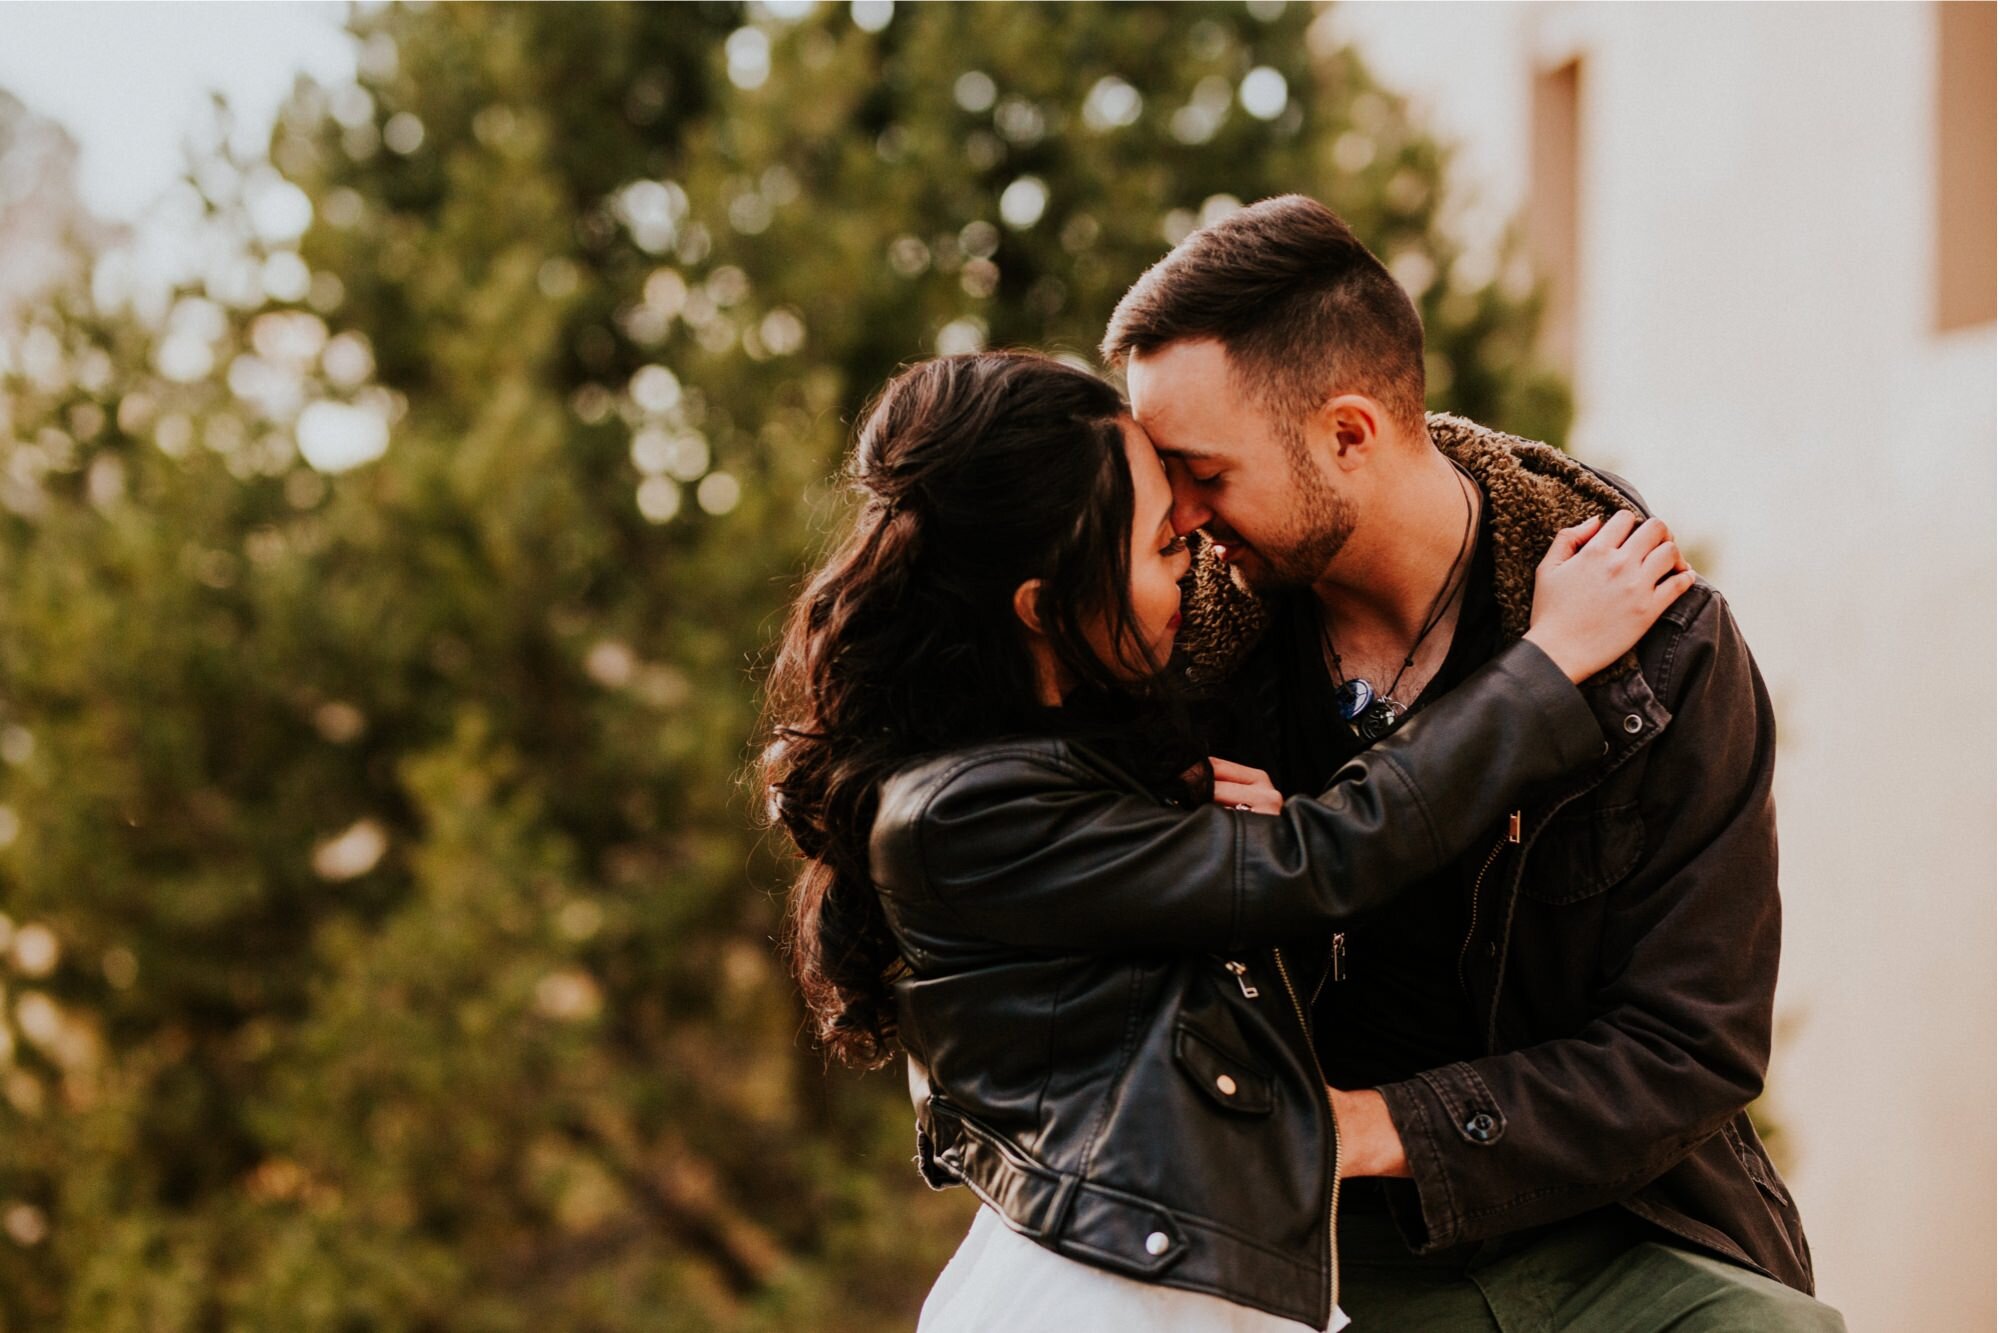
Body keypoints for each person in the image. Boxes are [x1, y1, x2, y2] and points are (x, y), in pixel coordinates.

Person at [759, 351, 1689, 1331]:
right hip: (1110, 1300)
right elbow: (1324, 863)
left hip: (1180, 1278)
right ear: (1042, 607)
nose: (1192, 558)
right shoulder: (957, 815)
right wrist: (1545, 666)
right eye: (1161, 547)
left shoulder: (1045, 774)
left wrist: (1204, 841)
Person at [1101, 194, 1846, 1330]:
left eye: (1203, 472)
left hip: (1607, 1228)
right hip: (1285, 1241)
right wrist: (1187, 856)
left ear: (1346, 434)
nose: (1181, 518)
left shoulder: (1663, 655)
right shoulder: (1177, 667)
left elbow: (1686, 1047)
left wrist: (1367, 1125)